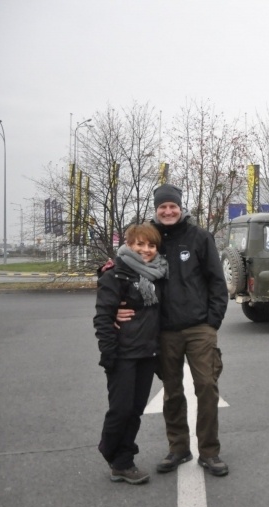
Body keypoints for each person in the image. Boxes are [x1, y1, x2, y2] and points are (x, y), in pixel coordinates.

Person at [121, 183, 230, 477]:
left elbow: (217, 283)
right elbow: (123, 266)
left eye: (173, 206)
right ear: (156, 210)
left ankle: (209, 452)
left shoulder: (200, 238)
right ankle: (178, 448)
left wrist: (212, 321)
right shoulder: (150, 240)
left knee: (207, 387)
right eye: (162, 207)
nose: (168, 211)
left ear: (181, 208)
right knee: (172, 392)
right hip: (164, 331)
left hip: (199, 329)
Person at [94, 222, 167, 485]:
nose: (145, 249)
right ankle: (113, 453)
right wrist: (108, 354)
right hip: (123, 354)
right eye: (139, 244)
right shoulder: (116, 274)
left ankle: (123, 462)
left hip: (146, 354)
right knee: (120, 409)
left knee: (135, 410)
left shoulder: (158, 273)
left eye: (150, 244)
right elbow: (103, 317)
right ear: (128, 244)